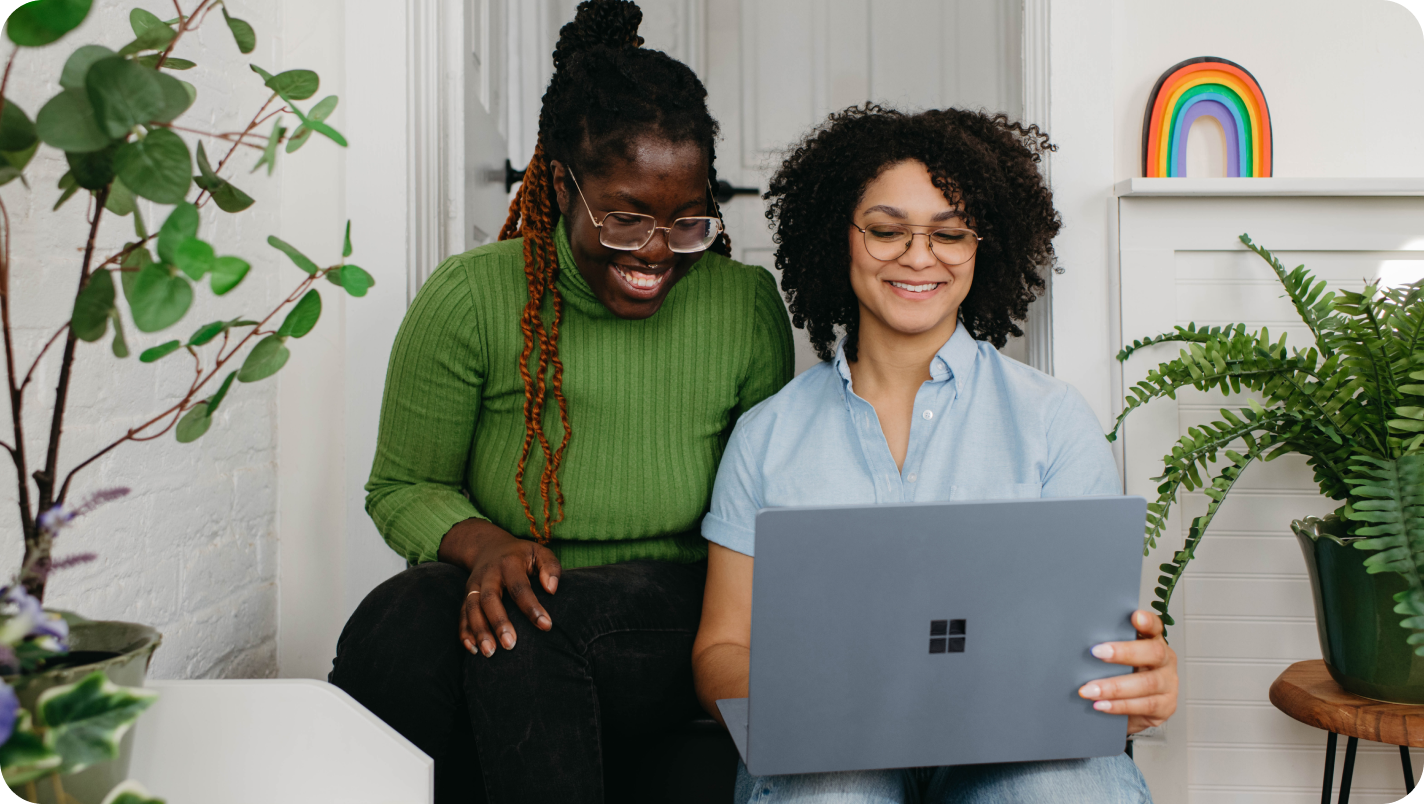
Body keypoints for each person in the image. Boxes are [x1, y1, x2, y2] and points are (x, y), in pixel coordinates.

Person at [327, 2, 793, 802]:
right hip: (507, 580)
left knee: (530, 629)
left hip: (670, 603)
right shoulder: (472, 297)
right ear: (558, 183)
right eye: (625, 219)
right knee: (400, 619)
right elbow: (402, 487)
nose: (656, 253)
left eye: (688, 224)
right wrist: (485, 547)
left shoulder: (743, 306)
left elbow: (769, 503)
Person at [691, 105, 1178, 803]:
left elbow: (1104, 638)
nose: (919, 257)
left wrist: (1146, 675)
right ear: (842, 237)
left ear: (984, 246)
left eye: (949, 233)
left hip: (1018, 746)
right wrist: (791, 709)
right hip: (829, 746)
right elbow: (720, 649)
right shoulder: (767, 436)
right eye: (887, 230)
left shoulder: (1054, 421)